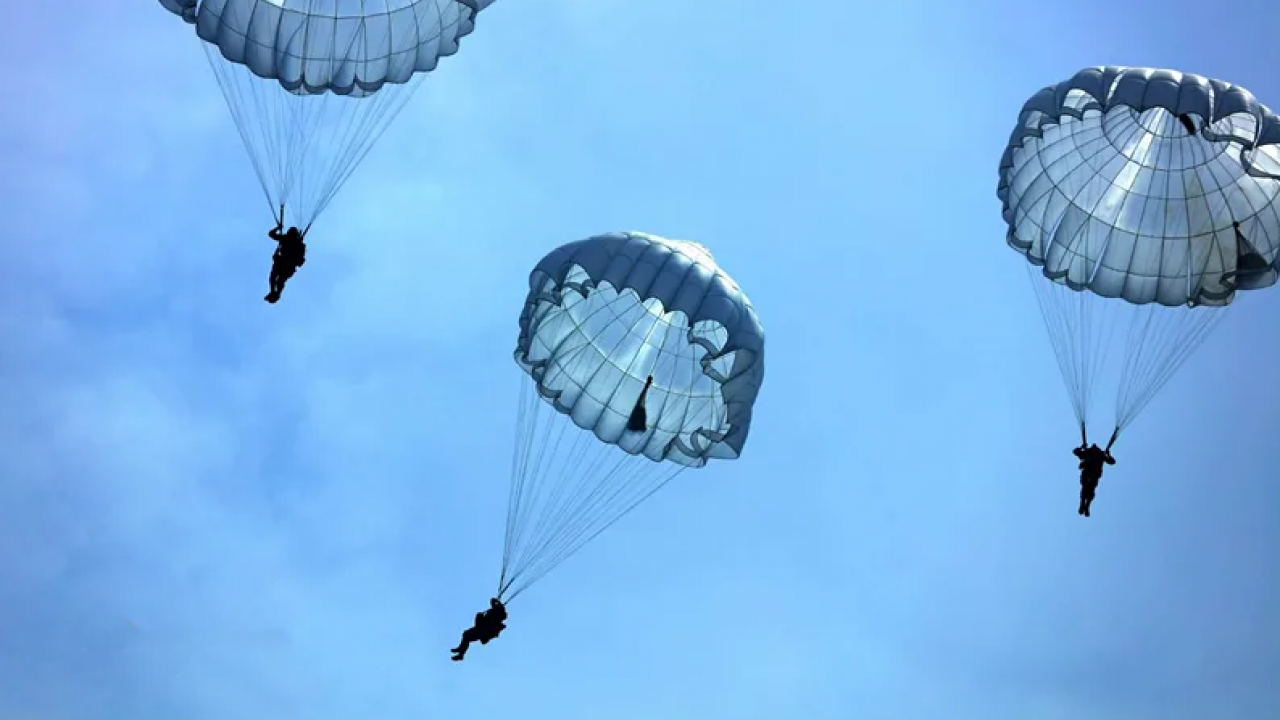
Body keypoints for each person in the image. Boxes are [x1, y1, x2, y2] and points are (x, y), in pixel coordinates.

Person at [265, 207, 307, 303]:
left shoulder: (297, 243)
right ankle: (274, 293)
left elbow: (301, 260)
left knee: (277, 279)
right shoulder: (287, 239)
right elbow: (271, 234)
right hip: (284, 264)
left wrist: (278, 228)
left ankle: (275, 293)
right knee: (275, 278)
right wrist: (278, 228)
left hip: (286, 264)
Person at [1073, 443, 1115, 517]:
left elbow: (1112, 461)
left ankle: (1086, 506)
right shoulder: (1091, 452)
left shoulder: (1099, 454)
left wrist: (1108, 455)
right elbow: (1075, 451)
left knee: (1089, 489)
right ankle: (1083, 504)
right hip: (1087, 473)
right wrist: (1082, 447)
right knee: (1086, 488)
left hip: (1094, 474)